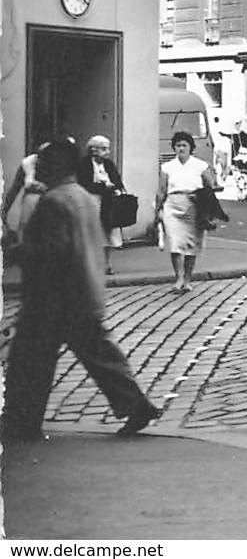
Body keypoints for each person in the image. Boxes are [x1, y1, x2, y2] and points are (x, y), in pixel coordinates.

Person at [0, 138, 161, 442]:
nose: (41, 166)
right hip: (83, 290)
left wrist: (18, 252)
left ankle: (22, 421)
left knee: (30, 360)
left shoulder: (54, 201)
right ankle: (137, 404)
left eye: (46, 162)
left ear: (59, 164)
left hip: (54, 298)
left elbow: (51, 252)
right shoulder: (83, 196)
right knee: (101, 356)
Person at [157, 131, 222, 294]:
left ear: (190, 147)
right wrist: (157, 209)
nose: (181, 148)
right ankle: (178, 278)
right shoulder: (167, 167)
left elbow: (210, 186)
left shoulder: (200, 165)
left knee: (192, 245)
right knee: (176, 244)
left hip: (195, 207)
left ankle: (187, 279)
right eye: (178, 145)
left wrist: (201, 195)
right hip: (173, 206)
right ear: (174, 148)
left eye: (184, 145)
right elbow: (161, 190)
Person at [78, 135, 129, 275]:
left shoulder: (108, 164)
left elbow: (117, 179)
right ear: (94, 150)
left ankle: (106, 264)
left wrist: (117, 189)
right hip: (91, 200)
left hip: (108, 202)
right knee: (93, 232)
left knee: (108, 232)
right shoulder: (84, 164)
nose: (107, 152)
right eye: (104, 149)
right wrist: (103, 186)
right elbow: (84, 183)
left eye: (108, 149)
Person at [1, 142, 48, 259]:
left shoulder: (55, 165)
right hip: (30, 206)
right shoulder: (27, 164)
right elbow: (14, 189)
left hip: (49, 204)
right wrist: (4, 211)